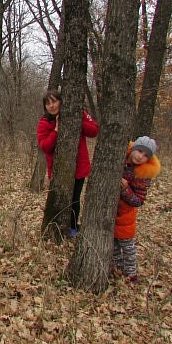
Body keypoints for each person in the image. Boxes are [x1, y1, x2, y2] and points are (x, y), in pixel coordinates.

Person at [36, 89, 99, 237]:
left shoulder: (78, 113)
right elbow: (45, 146)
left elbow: (94, 130)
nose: (52, 106)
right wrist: (56, 131)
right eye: (48, 103)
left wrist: (77, 123)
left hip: (79, 167)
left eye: (54, 101)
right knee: (60, 200)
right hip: (58, 169)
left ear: (61, 101)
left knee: (74, 199)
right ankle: (55, 228)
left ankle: (72, 228)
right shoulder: (44, 123)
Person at [113, 136, 161, 283]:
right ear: (133, 148)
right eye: (139, 151)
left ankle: (131, 275)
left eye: (146, 155)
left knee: (127, 247)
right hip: (111, 212)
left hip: (126, 215)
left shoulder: (143, 174)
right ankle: (117, 269)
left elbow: (138, 200)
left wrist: (125, 188)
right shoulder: (120, 157)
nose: (141, 156)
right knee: (113, 245)